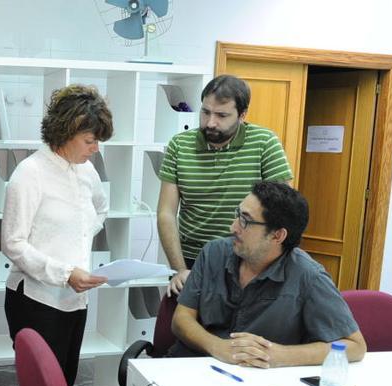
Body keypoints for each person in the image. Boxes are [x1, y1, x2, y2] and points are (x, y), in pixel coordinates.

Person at [1, 84, 112, 386]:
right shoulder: (29, 174)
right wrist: (64, 269)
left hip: (73, 299)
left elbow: (100, 209)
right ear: (66, 132)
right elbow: (12, 242)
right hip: (35, 300)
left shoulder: (85, 171)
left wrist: (81, 244)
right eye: (89, 139)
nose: (95, 148)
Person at [169, 181, 367, 366]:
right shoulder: (214, 253)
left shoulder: (309, 277)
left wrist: (280, 355)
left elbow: (356, 347)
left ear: (277, 235)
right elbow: (181, 319)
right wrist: (217, 346)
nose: (233, 227)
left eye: (245, 221)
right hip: (190, 366)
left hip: (255, 382)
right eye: (237, 214)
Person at [157, 75, 294, 296]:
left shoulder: (264, 142)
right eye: (205, 112)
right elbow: (166, 212)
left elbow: (282, 208)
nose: (210, 122)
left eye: (221, 115)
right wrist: (179, 269)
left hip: (247, 260)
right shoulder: (179, 145)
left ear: (242, 115)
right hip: (192, 260)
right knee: (185, 325)